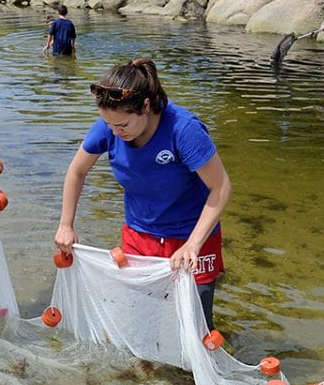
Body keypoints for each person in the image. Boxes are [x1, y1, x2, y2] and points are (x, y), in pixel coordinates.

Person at [54, 58, 232, 330]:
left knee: (195, 324)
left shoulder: (183, 130)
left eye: (122, 125)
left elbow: (221, 188)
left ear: (146, 107)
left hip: (192, 237)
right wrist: (66, 225)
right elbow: (76, 172)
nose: (115, 132)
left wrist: (193, 244)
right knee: (140, 318)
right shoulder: (109, 126)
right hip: (140, 235)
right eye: (109, 124)